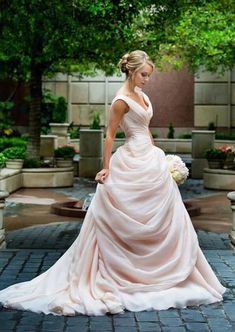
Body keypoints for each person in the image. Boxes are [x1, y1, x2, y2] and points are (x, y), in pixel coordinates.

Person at [0, 50, 226, 316]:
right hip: (128, 158)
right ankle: (123, 272)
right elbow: (109, 135)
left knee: (166, 216)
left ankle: (163, 270)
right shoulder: (120, 100)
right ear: (132, 71)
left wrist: (160, 159)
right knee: (119, 215)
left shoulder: (143, 96)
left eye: (149, 76)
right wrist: (106, 168)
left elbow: (147, 131)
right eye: (144, 74)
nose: (147, 80)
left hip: (149, 159)